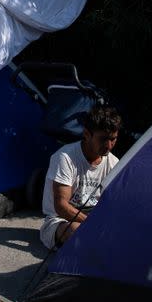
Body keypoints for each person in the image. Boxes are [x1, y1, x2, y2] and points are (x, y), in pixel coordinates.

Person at [39, 106, 122, 250]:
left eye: (113, 139)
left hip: (94, 220)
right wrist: (93, 223)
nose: (109, 145)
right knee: (78, 231)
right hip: (61, 221)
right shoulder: (64, 157)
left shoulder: (114, 163)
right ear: (86, 134)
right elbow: (61, 207)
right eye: (103, 139)